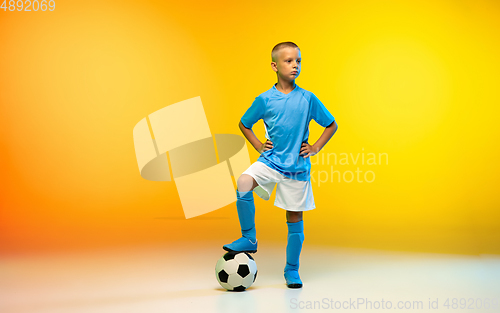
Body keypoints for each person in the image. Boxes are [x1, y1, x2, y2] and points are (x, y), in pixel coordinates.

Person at [222, 41, 338, 288]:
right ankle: (249, 238)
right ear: (275, 66)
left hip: (297, 168)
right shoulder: (264, 100)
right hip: (271, 161)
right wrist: (257, 145)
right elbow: (244, 123)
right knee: (243, 181)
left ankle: (292, 270)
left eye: (298, 61)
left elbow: (331, 124)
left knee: (294, 216)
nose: (295, 65)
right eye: (289, 61)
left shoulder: (308, 98)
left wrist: (315, 147)